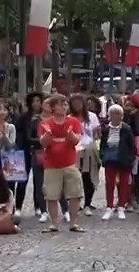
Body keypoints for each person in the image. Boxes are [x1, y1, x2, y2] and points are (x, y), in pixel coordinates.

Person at [39, 95, 85, 233]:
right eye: (60, 104)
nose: (64, 107)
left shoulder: (74, 121)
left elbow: (76, 141)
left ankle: (74, 223)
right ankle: (54, 223)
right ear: (53, 107)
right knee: (51, 195)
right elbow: (43, 143)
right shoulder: (45, 123)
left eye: (65, 104)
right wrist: (48, 135)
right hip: (51, 164)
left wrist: (70, 134)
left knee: (75, 194)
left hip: (70, 163)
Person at [100, 104, 136, 220]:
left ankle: (121, 206)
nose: (116, 116)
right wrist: (102, 156)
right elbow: (103, 144)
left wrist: (131, 158)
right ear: (110, 115)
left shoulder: (126, 129)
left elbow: (132, 145)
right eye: (114, 113)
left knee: (124, 183)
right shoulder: (106, 129)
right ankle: (109, 207)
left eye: (119, 114)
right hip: (110, 157)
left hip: (123, 158)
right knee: (109, 184)